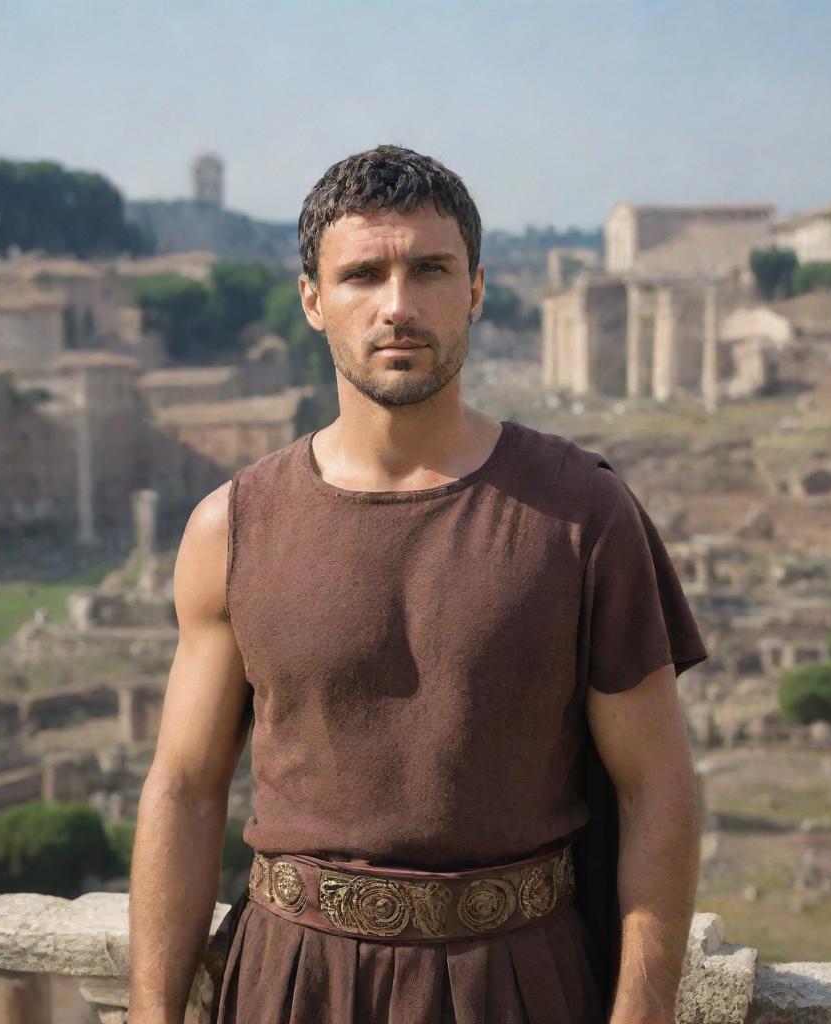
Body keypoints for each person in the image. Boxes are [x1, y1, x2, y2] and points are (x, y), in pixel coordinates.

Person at [128, 144, 709, 1024]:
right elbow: (183, 787)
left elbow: (657, 786)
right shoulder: (229, 527)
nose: (397, 305)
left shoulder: (587, 514)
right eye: (363, 274)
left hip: (518, 985)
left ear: (475, 287)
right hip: (289, 985)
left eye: (429, 269)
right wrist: (150, 1016)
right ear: (313, 302)